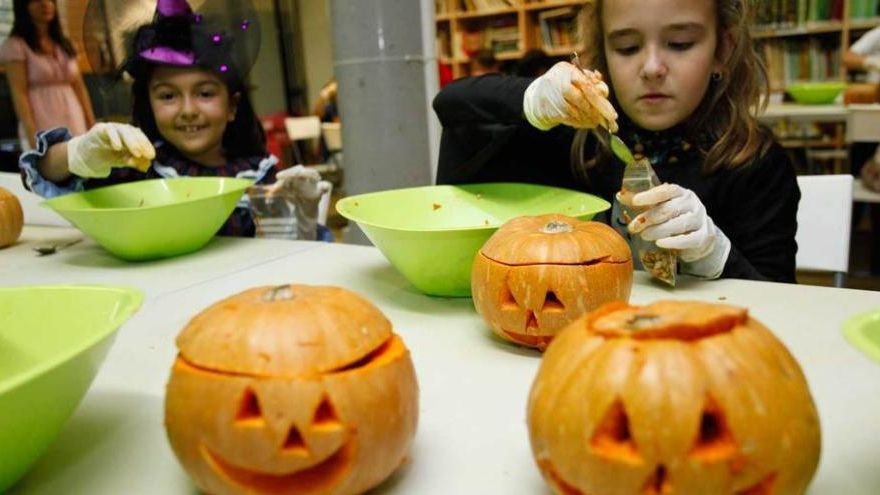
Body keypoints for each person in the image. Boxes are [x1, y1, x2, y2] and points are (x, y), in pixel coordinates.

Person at [433, 0, 800, 283]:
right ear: (604, 53)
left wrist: (716, 254)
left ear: (723, 49)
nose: (652, 67)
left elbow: (781, 308)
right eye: (626, 47)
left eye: (680, 43)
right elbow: (453, 107)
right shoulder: (578, 140)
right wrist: (532, 97)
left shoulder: (757, 163)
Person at [18, 0, 328, 239]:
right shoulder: (136, 172)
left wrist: (300, 219)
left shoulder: (263, 178)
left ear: (232, 106)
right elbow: (44, 172)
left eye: (205, 93)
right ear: (149, 104)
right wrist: (76, 154)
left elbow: (291, 253)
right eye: (168, 96)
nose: (188, 109)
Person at [0, 0, 96, 150]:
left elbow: (80, 88)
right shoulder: (16, 46)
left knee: (81, 164)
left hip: (75, 119)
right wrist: (33, 138)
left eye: (50, 0)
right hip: (42, 122)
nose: (45, 4)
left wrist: (92, 126)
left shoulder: (66, 44)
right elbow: (19, 95)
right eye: (36, 0)